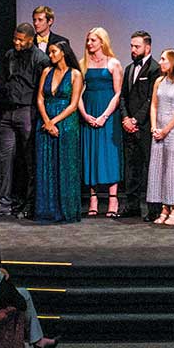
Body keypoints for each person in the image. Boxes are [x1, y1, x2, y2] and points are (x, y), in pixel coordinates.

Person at [0, 23, 50, 217]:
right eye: (15, 38)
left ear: (30, 39)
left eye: (21, 39)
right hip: (8, 112)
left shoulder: (40, 58)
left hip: (28, 111)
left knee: (29, 160)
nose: (17, 42)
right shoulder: (9, 55)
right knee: (5, 158)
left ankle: (30, 203)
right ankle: (4, 201)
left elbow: (42, 89)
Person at [34, 41, 84, 223]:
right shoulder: (47, 72)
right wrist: (47, 121)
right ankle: (47, 209)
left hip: (66, 123)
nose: (51, 55)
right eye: (49, 52)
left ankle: (66, 210)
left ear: (63, 53)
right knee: (46, 164)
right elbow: (40, 98)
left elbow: (73, 104)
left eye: (54, 52)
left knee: (65, 165)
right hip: (45, 120)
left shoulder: (75, 74)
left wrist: (54, 121)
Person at [78, 27, 122, 217]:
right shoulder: (83, 64)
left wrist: (104, 116)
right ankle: (93, 198)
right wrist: (85, 114)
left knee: (109, 154)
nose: (89, 44)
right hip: (88, 111)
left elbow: (118, 93)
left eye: (93, 40)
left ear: (102, 42)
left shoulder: (113, 63)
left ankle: (113, 199)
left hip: (107, 113)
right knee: (91, 153)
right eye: (88, 40)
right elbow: (77, 93)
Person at [146, 48, 174, 225]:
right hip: (159, 129)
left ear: (173, 62)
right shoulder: (158, 81)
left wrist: (166, 130)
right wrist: (154, 127)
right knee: (159, 168)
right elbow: (154, 105)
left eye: (164, 59)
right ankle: (164, 207)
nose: (161, 61)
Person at [118, 30, 157, 222]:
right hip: (129, 126)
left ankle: (153, 208)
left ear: (147, 47)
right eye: (131, 46)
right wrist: (125, 118)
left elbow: (152, 99)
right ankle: (131, 206)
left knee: (150, 168)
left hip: (146, 127)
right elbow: (123, 96)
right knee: (131, 168)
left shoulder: (155, 69)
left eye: (137, 46)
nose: (133, 50)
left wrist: (136, 120)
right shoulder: (128, 69)